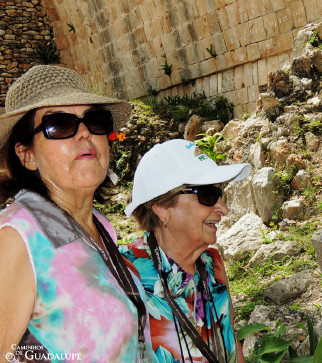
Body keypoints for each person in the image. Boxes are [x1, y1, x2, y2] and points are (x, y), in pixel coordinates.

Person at [0, 65, 153, 362]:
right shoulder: (19, 239)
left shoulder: (101, 227)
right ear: (27, 155)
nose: (84, 132)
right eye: (59, 125)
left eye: (95, 121)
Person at [121, 139, 251, 363]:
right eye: (208, 195)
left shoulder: (213, 264)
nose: (224, 209)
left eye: (221, 194)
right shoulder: (123, 272)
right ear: (162, 208)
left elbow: (232, 344)